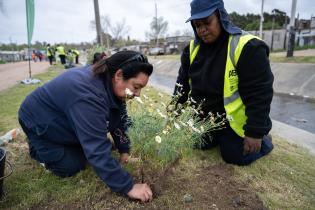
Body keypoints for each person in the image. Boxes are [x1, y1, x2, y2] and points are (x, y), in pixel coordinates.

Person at [18, 51, 153, 202]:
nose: (138, 94)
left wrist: (124, 150)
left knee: (98, 147)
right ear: (119, 75)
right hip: (38, 120)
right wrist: (128, 186)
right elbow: (96, 149)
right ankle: (37, 148)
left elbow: (119, 118)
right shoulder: (88, 95)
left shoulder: (109, 81)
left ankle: (71, 141)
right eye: (136, 86)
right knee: (72, 165)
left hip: (64, 118)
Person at [173, 0, 274, 166]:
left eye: (207, 23)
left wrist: (255, 132)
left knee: (235, 156)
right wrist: (173, 116)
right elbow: (181, 87)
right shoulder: (191, 50)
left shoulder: (248, 47)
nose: (202, 30)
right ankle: (219, 139)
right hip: (205, 118)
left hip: (232, 121)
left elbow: (260, 92)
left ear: (221, 17)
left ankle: (265, 140)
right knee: (194, 142)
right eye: (197, 25)